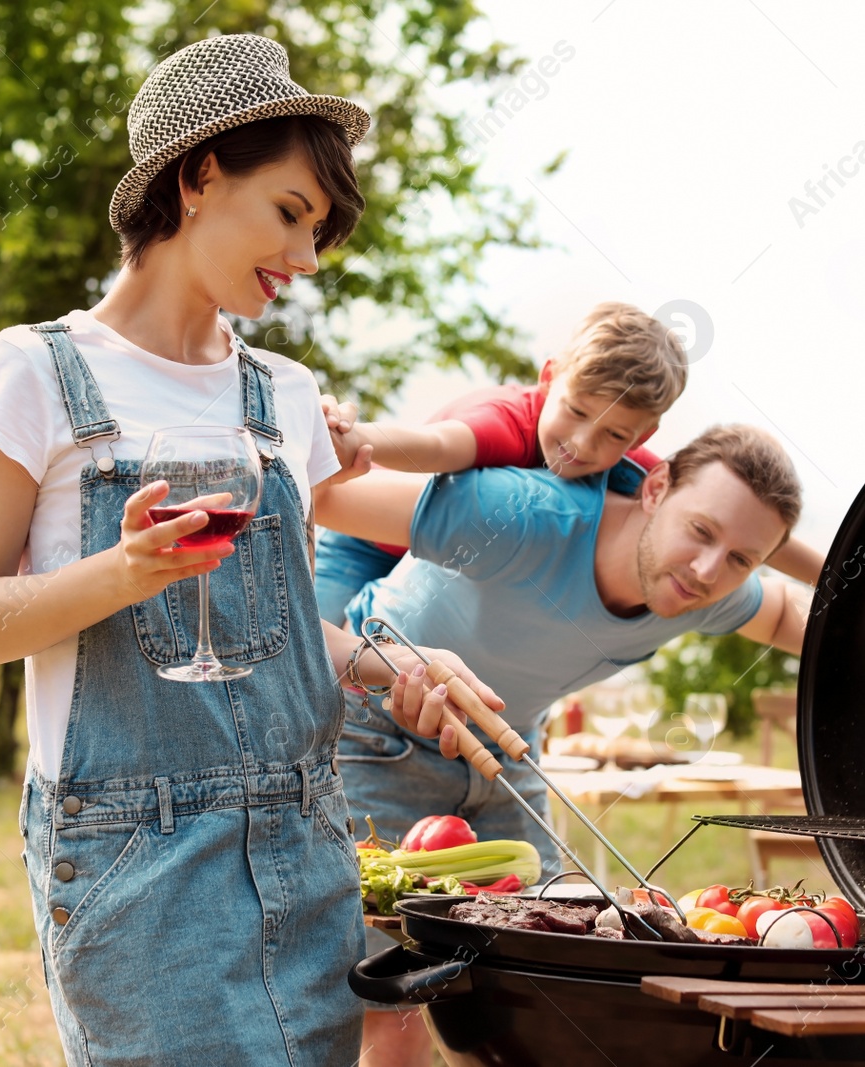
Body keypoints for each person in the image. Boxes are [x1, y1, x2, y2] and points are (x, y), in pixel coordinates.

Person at [0, 35, 500, 1066]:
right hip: (135, 860)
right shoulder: (32, 373)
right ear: (197, 176)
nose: (308, 259)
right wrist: (124, 571)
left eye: (320, 231)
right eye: (290, 212)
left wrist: (394, 663)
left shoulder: (280, 394)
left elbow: (271, 632)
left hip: (306, 841)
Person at [314, 423, 812, 1067]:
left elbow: (790, 617)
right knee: (400, 1010)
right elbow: (311, 496)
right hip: (374, 729)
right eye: (702, 531)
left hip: (509, 747)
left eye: (742, 559)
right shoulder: (521, 513)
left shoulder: (706, 591)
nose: (709, 569)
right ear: (656, 488)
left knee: (540, 981)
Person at [313, 303, 826, 624]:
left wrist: (841, 575)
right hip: (366, 542)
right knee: (316, 653)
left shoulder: (636, 467)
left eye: (614, 434)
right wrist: (354, 436)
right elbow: (434, 445)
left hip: (438, 555)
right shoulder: (503, 421)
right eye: (576, 411)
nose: (581, 444)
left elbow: (747, 530)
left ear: (641, 436)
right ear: (550, 377)